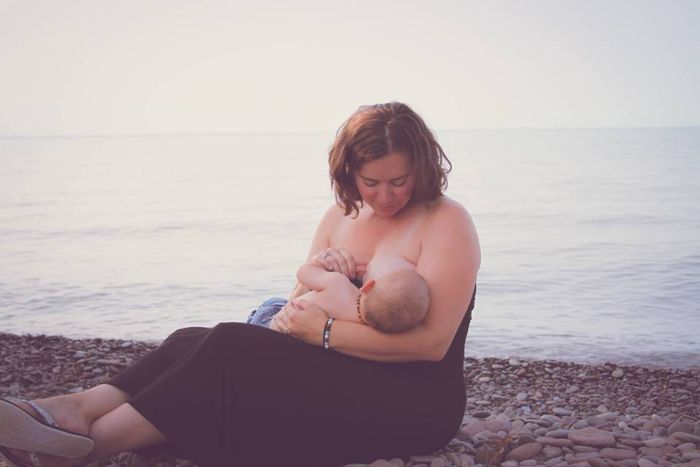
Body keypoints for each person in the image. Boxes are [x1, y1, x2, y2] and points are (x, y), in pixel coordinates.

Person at [0, 102, 480, 467]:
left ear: (420, 166)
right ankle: (77, 410)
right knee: (196, 338)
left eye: (398, 181)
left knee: (231, 345)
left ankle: (83, 449)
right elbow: (295, 310)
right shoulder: (341, 216)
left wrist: (325, 334)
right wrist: (323, 272)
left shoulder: (446, 222)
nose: (385, 195)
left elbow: (431, 345)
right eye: (370, 182)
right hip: (342, 373)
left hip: (413, 401)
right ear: (348, 173)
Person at [247, 259, 431, 334]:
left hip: (271, 322)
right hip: (288, 335)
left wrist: (321, 263)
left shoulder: (339, 285)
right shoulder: (361, 329)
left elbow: (304, 273)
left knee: (273, 302)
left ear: (367, 285)